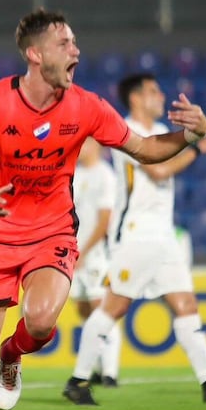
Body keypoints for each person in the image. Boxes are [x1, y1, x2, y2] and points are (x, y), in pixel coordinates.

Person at [0, 9, 206, 410]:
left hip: (53, 231)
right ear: (35, 54)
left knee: (39, 323)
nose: (76, 50)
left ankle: (13, 352)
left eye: (75, 42)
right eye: (65, 43)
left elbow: (145, 150)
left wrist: (191, 134)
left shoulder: (87, 106)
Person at [63, 72, 206, 406]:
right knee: (113, 307)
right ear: (135, 98)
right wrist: (197, 147)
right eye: (153, 91)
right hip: (135, 233)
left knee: (185, 305)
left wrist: (193, 134)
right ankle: (78, 380)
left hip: (162, 234)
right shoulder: (125, 131)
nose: (161, 96)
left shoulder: (163, 133)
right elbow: (158, 170)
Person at [70, 136, 120, 387]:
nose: (79, 148)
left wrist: (85, 252)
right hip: (75, 253)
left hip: (96, 254)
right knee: (84, 311)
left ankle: (110, 372)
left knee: (101, 309)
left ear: (97, 145)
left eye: (84, 143)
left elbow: (104, 221)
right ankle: (100, 366)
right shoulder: (74, 175)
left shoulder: (106, 176)